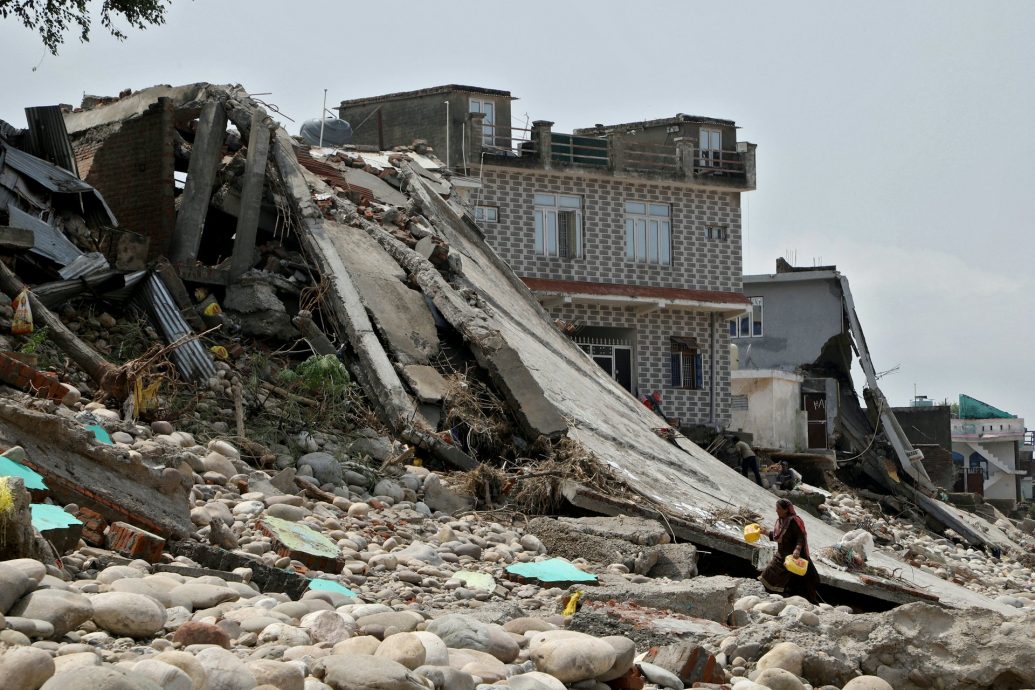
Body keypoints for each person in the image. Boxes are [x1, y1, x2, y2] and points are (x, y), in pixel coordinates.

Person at [759, 498, 821, 603]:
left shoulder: (794, 521)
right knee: (769, 572)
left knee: (801, 580)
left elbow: (800, 537)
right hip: (781, 555)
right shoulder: (780, 521)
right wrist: (764, 532)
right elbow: (778, 536)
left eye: (779, 508)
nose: (776, 510)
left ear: (786, 510)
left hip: (793, 556)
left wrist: (797, 549)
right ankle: (766, 594)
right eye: (776, 508)